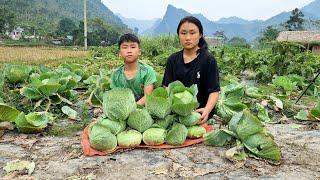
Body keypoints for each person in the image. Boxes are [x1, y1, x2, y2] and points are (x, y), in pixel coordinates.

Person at [162, 16, 220, 124]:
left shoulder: (208, 59)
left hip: (199, 113)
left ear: (200, 34)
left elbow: (214, 90)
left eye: (192, 33)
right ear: (178, 35)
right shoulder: (173, 60)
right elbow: (166, 87)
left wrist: (207, 110)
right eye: (183, 33)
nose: (187, 37)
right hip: (176, 113)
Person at [110, 33, 157, 106]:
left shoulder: (147, 71)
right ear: (119, 53)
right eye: (125, 47)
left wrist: (131, 108)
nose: (129, 51)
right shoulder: (115, 74)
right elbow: (115, 98)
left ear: (139, 52)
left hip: (144, 110)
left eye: (133, 47)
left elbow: (148, 97)